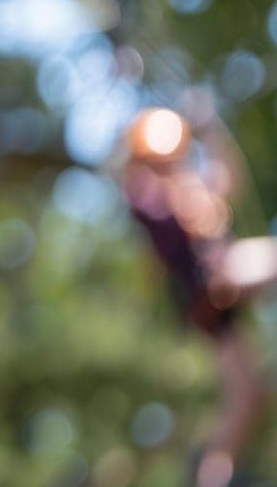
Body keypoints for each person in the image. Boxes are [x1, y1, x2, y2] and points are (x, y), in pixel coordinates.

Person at [122, 108, 277, 487]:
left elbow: (229, 179)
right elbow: (167, 205)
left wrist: (212, 128)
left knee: (248, 398)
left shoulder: (183, 185)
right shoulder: (147, 194)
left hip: (216, 299)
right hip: (211, 288)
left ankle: (212, 475)